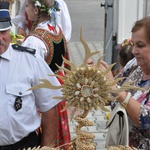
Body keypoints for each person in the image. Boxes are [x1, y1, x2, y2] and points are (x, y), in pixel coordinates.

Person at [0, 1, 62, 149]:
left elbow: (49, 108)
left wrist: (47, 147)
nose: (0, 39)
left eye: (3, 32)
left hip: (21, 145)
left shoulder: (29, 60)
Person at [21, 0, 71, 149]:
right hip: (58, 97)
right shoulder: (57, 30)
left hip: (43, 103)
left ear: (36, 10)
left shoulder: (34, 41)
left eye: (27, 6)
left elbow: (26, 75)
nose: (26, 10)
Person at [101, 16, 150, 149]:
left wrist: (115, 88)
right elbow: (112, 93)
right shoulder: (134, 65)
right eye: (133, 44)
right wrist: (96, 78)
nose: (134, 51)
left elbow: (145, 120)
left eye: (140, 45)